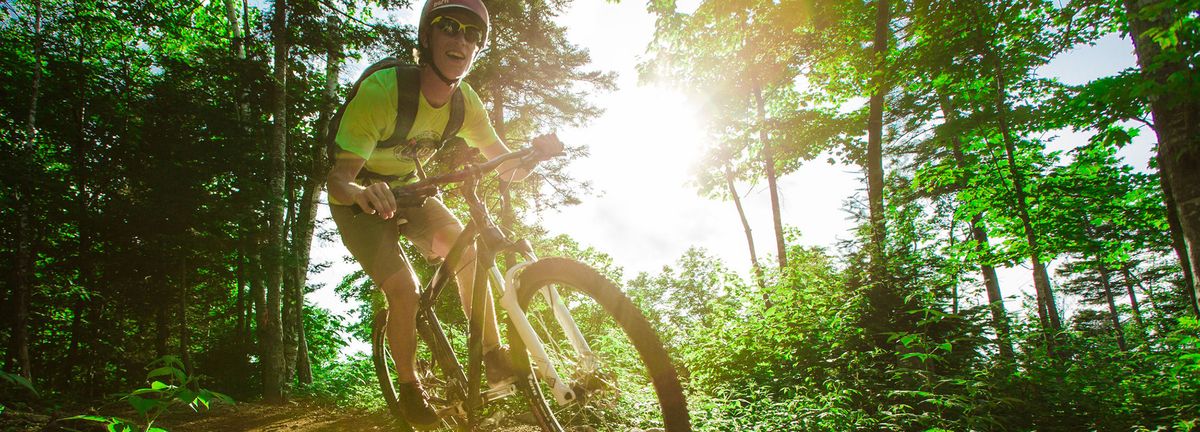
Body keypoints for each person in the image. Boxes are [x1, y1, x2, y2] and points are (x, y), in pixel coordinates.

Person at [326, 0, 539, 425]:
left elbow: (506, 165)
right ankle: (409, 387)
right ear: (427, 37)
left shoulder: (465, 104)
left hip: (413, 192)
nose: (461, 39)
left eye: (472, 33)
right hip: (359, 201)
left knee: (469, 253)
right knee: (403, 289)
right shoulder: (385, 92)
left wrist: (530, 157)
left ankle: (494, 357)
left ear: (478, 47)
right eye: (449, 27)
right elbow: (337, 180)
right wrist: (364, 192)